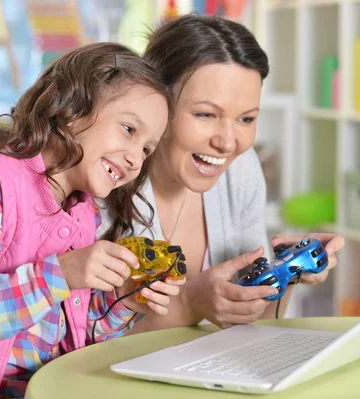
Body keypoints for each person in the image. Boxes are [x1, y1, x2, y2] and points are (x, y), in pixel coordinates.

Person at [0, 42, 183, 398]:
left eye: (146, 149)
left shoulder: (82, 212)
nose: (135, 160)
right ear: (72, 109)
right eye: (128, 129)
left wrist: (122, 299)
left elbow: (70, 339)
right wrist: (58, 274)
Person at [98, 14, 345, 333]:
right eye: (205, 114)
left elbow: (256, 319)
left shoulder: (240, 171)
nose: (227, 143)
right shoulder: (104, 180)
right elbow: (77, 344)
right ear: (158, 104)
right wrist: (191, 303)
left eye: (246, 119)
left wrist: (287, 274)